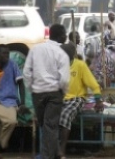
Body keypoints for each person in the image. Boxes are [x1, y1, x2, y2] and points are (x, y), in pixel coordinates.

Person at [23, 24, 70, 159]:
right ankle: (48, 156)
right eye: (65, 34)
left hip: (37, 93)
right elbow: (65, 80)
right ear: (60, 36)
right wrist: (62, 92)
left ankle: (52, 154)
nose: (66, 36)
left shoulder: (35, 49)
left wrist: (31, 88)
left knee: (45, 126)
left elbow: (27, 72)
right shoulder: (62, 54)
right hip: (54, 93)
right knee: (51, 127)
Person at [59, 43, 104, 159]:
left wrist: (98, 101)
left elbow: (94, 85)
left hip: (76, 98)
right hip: (60, 98)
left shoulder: (80, 65)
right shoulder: (57, 65)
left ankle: (61, 151)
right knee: (49, 116)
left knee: (65, 115)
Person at [0, 44, 30, 157]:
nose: (7, 55)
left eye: (8, 53)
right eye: (4, 53)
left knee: (11, 121)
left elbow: (21, 84)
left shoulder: (12, 65)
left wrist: (22, 103)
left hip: (7, 101)